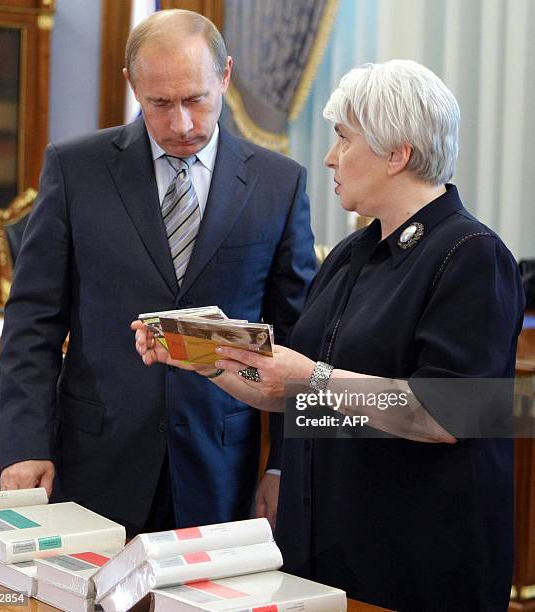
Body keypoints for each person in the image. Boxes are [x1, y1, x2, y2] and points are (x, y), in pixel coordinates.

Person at [135, 60, 525, 610]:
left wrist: (312, 376)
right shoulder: (352, 253)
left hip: (414, 561)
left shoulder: (472, 255)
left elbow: (448, 415)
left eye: (343, 138)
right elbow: (293, 392)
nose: (329, 157)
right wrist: (210, 358)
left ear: (398, 153)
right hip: (325, 549)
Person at [0, 9, 316, 536]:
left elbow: (295, 339)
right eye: (159, 104)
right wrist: (26, 445)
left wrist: (283, 465)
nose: (181, 124)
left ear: (226, 76)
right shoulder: (76, 169)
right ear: (132, 86)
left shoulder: (278, 183)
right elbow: (34, 321)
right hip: (95, 461)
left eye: (195, 100)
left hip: (221, 467)